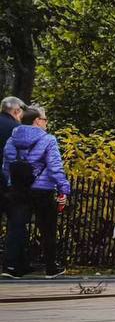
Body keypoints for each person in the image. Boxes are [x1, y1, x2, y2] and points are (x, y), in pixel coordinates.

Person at [2, 105, 70, 278]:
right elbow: (55, 168)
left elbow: (6, 167)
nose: (46, 123)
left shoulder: (12, 140)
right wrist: (64, 189)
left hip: (18, 190)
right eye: (45, 119)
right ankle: (51, 267)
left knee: (16, 225)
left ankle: (11, 266)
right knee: (47, 227)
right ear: (37, 121)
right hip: (42, 189)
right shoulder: (48, 140)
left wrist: (12, 184)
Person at [0, 96, 24, 257]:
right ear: (16, 111)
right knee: (16, 223)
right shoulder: (16, 129)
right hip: (8, 183)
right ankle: (12, 263)